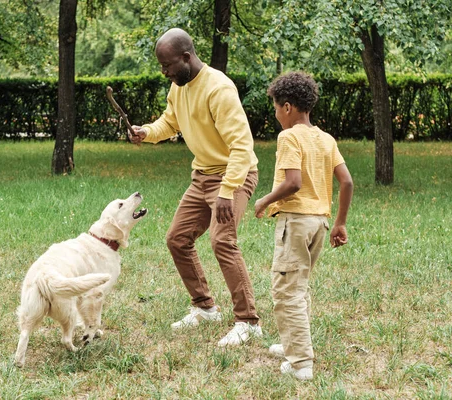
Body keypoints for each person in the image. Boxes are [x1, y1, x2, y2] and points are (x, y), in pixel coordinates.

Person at [129, 28, 262, 346]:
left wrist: (228, 190)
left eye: (167, 65)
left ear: (186, 57)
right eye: (161, 66)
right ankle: (205, 308)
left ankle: (248, 321)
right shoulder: (179, 86)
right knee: (177, 239)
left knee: (222, 241)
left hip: (234, 175)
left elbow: (242, 147)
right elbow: (170, 122)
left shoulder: (218, 88)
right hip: (202, 176)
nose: (164, 72)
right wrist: (146, 132)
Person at [254, 71, 353, 380]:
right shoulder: (326, 139)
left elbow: (293, 183)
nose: (275, 114)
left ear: (287, 107)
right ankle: (291, 343)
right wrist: (340, 223)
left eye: (274, 107)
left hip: (295, 223)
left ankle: (301, 364)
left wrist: (264, 200)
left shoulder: (289, 137)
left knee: (287, 292)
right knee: (299, 286)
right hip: (320, 224)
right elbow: (347, 181)